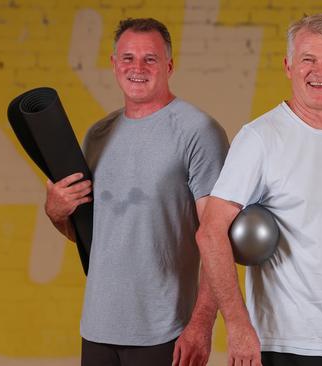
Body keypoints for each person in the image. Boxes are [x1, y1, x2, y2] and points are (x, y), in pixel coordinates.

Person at [195, 14, 322, 366]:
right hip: (284, 343)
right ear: (289, 66)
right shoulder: (259, 137)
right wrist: (238, 324)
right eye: (308, 59)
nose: (321, 70)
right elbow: (211, 233)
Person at [43, 18, 228, 366]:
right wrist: (56, 212)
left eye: (150, 59)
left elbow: (218, 236)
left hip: (165, 331)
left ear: (169, 66)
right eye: (127, 58)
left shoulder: (198, 131)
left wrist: (202, 325)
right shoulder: (97, 135)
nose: (137, 68)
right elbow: (94, 237)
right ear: (114, 65)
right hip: (97, 328)